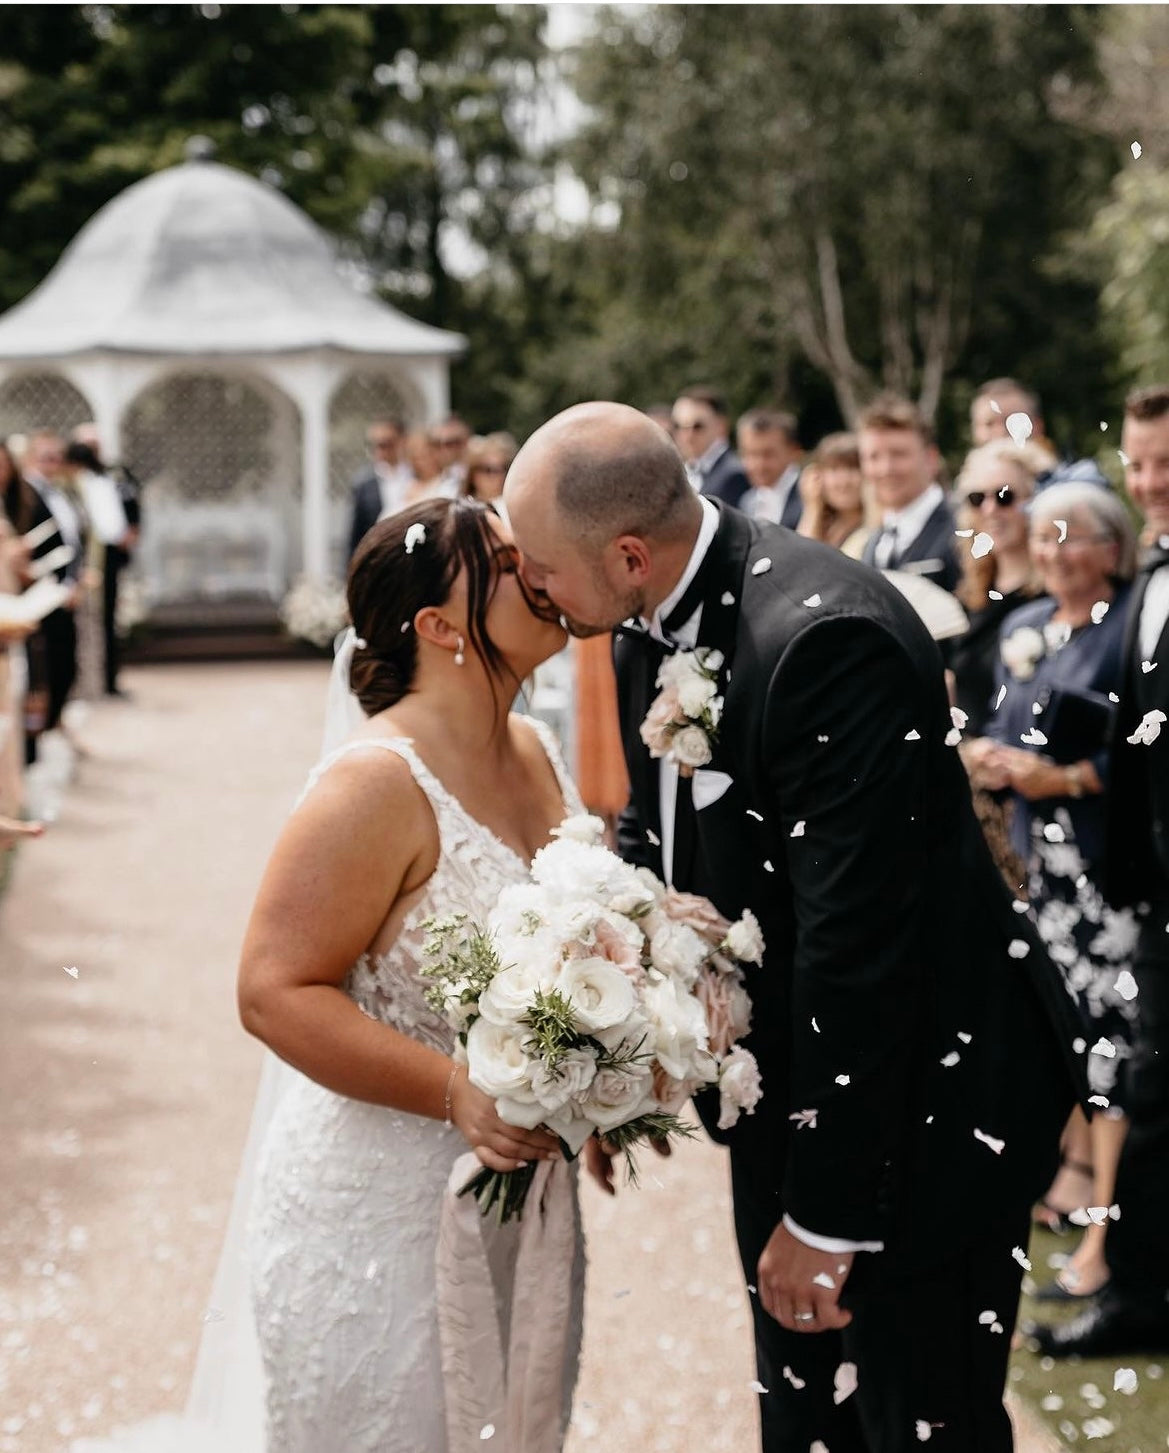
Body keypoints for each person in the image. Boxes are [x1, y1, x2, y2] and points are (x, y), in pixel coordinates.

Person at [504, 401, 1086, 1453]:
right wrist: (612, 1054)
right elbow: (658, 829)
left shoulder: (828, 640)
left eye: (539, 565)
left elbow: (856, 954)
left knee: (915, 1421)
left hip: (927, 1105)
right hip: (800, 1090)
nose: (530, 587)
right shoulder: (643, 625)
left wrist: (822, 1219)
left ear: (629, 554)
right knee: (805, 1420)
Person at [965, 483, 1139, 1302]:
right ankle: (1070, 1180)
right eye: (1042, 538)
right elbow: (1006, 727)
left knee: (1110, 1044)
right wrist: (986, 757)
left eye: (1072, 537)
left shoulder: (1127, 631)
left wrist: (1061, 775)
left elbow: (1142, 755)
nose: (1054, 552)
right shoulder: (1023, 629)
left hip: (1106, 871)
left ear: (1111, 548)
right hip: (1038, 868)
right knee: (1064, 1032)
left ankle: (1109, 1228)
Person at [1029, 384, 1169, 1355]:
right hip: (1145, 883)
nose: (1151, 481)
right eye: (1140, 461)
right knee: (1148, 1093)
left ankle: (1133, 1290)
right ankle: (1137, 1292)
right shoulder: (1153, 574)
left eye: (1166, 463)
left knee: (1144, 1093)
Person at [948, 439, 1043, 734]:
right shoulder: (969, 597)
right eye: (977, 498)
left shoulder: (1053, 598)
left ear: (1035, 500)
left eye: (1004, 496)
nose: (990, 509)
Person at [859, 395, 961, 592]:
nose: (885, 469)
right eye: (873, 457)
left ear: (930, 459)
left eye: (899, 454)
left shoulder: (961, 529)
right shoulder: (873, 542)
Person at [63, 440, 135, 698]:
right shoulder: (92, 484)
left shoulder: (94, 483)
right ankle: (100, 681)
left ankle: (105, 680)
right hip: (95, 558)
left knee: (102, 620)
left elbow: (109, 527)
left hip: (101, 558)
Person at [796, 432, 874, 560]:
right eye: (834, 470)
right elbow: (799, 560)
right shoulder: (823, 524)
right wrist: (812, 507)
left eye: (852, 468)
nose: (843, 481)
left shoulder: (873, 530)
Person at [671, 386, 750, 507]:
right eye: (678, 426)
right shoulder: (681, 472)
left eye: (697, 426)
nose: (687, 435)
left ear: (721, 426)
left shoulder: (735, 474)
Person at [347, 417, 412, 561]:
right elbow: (355, 532)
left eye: (386, 443)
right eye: (375, 444)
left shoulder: (416, 475)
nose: (380, 449)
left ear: (402, 441)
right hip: (379, 559)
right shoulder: (364, 482)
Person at [736, 409, 804, 529]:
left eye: (768, 454)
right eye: (750, 454)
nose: (758, 465)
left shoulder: (811, 500)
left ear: (793, 452)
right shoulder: (747, 501)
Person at [462, 431, 518, 507]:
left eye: (503, 468)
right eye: (488, 469)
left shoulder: (514, 507)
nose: (497, 475)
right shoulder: (459, 506)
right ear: (473, 473)